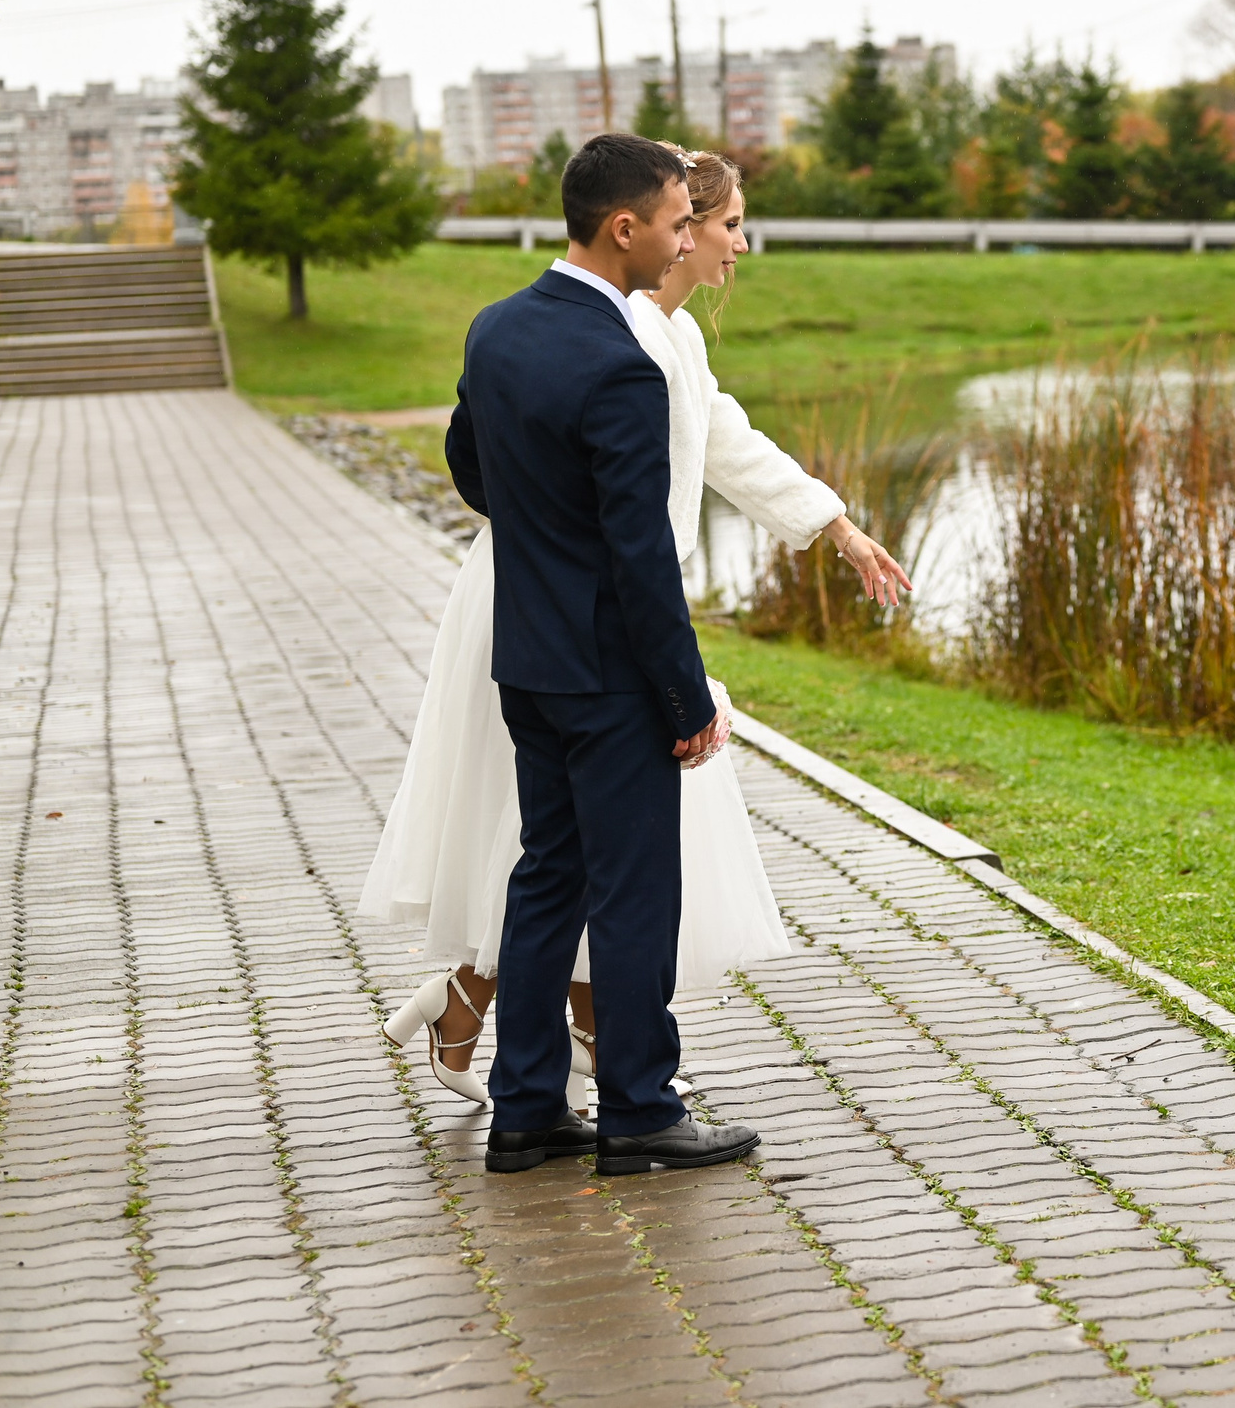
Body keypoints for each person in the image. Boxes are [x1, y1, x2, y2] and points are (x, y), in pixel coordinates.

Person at [364, 131, 901, 1175]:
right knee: (634, 889)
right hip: (609, 657)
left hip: (525, 643)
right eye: (682, 221)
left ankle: (524, 1107)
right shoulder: (621, 358)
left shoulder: (499, 327)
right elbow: (640, 547)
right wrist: (681, 690)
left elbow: (473, 466)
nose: (700, 238)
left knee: (545, 877)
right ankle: (642, 1110)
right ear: (633, 226)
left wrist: (828, 522)